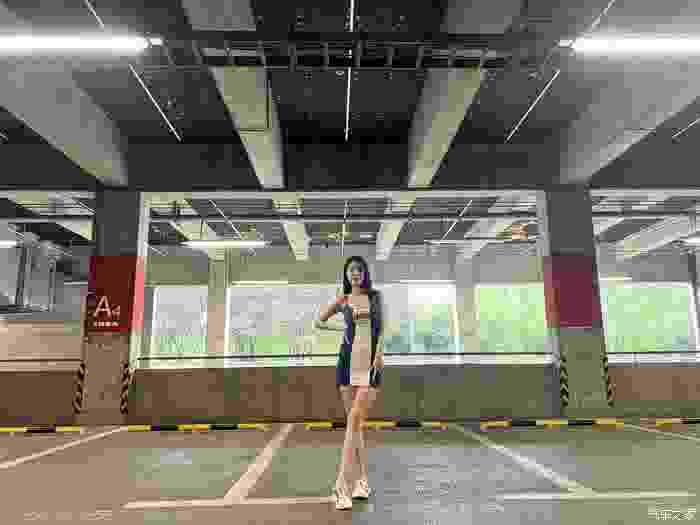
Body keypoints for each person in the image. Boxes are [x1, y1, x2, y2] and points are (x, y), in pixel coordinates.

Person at [315, 256, 385, 510]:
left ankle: (341, 485)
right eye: (351, 270)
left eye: (359, 269)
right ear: (346, 275)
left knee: (355, 419)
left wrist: (379, 354)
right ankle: (362, 481)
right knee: (354, 426)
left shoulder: (375, 297)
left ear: (365, 274)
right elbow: (319, 321)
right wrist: (341, 331)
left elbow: (382, 329)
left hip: (369, 364)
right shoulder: (343, 300)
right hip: (347, 362)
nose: (355, 273)